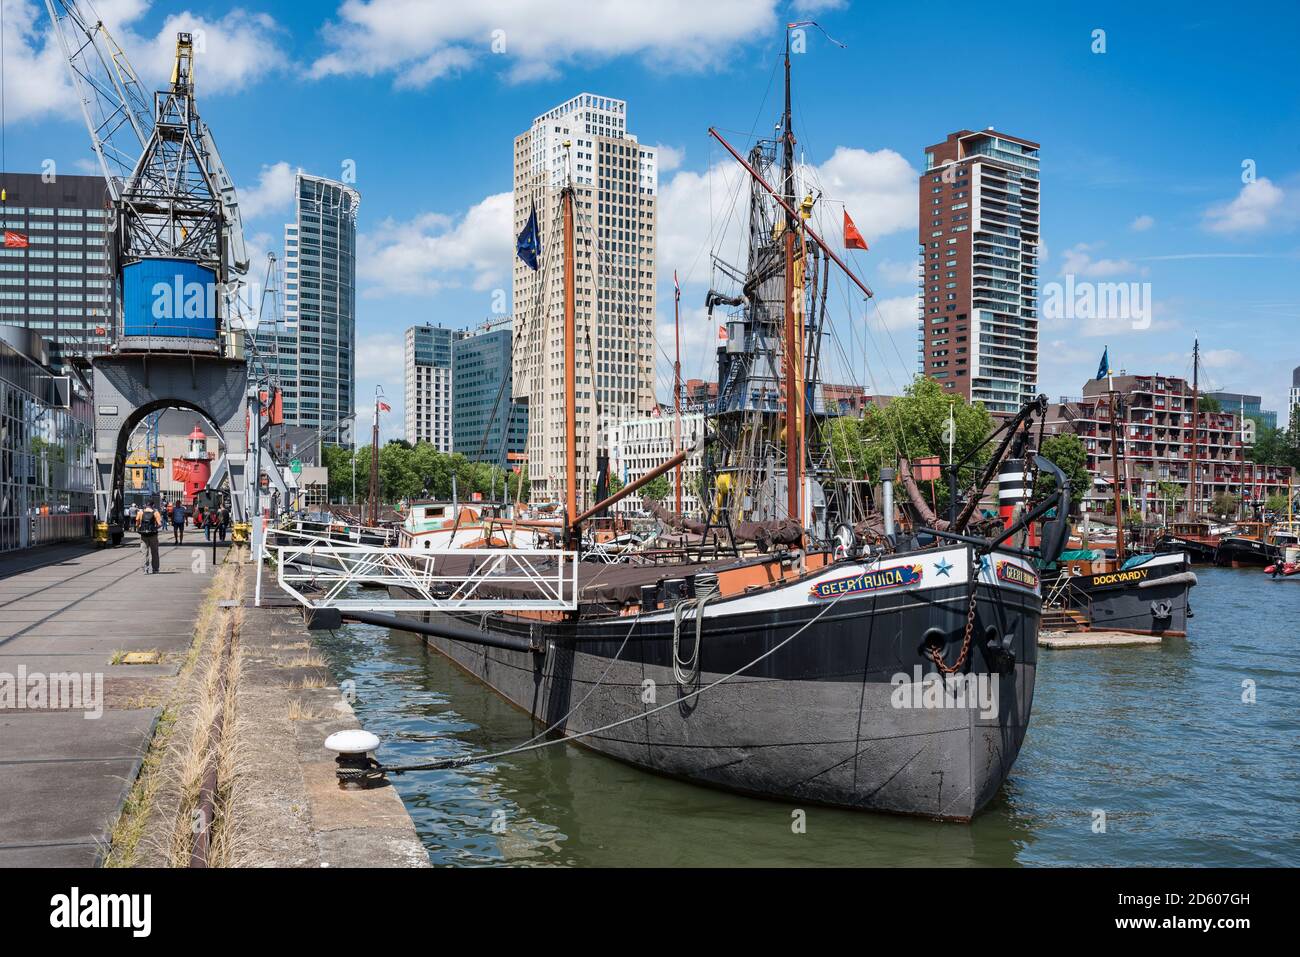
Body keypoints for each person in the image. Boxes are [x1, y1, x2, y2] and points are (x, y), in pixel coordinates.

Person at [137, 499, 162, 574]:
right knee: (154, 552)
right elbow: (159, 524)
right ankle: (155, 569)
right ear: (153, 505)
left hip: (143, 535)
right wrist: (155, 528)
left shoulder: (140, 512)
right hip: (153, 535)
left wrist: (139, 528)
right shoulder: (156, 512)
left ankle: (145, 569)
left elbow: (137, 522)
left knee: (144, 552)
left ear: (146, 505)